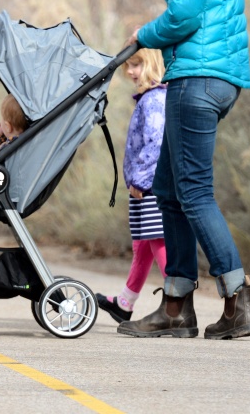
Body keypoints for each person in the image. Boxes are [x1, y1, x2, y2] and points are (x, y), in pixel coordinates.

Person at [117, 0, 250, 340]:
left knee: (192, 192)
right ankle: (176, 306)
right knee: (167, 189)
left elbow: (185, 15)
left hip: (197, 76)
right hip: (217, 75)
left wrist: (145, 36)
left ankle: (238, 302)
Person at [96, 44, 168, 324]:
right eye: (128, 65)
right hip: (143, 186)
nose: (129, 71)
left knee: (159, 243)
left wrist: (140, 179)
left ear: (151, 64)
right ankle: (125, 303)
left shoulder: (154, 100)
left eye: (136, 65)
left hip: (149, 186)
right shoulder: (148, 99)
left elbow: (157, 143)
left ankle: (176, 304)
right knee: (142, 245)